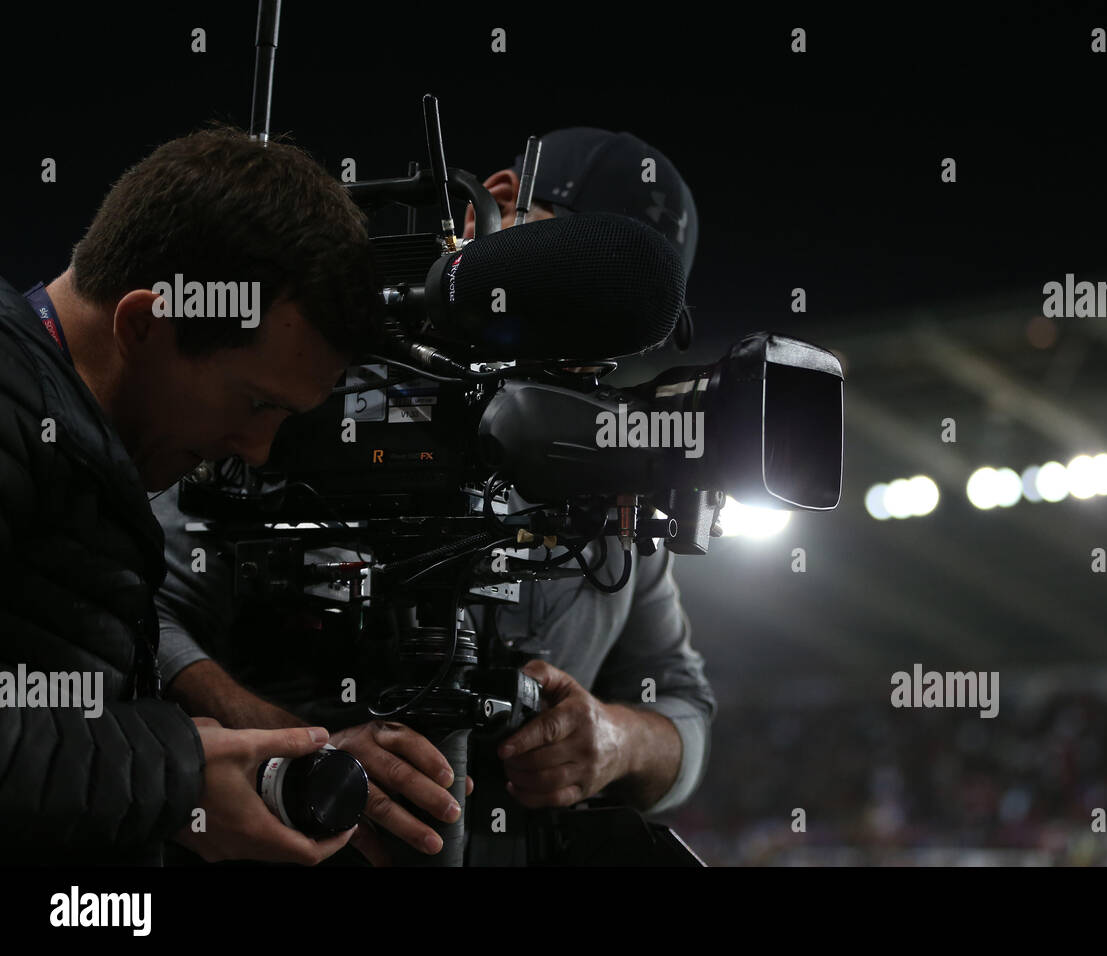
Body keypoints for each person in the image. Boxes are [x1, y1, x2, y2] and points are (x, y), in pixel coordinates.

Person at [151, 128, 716, 866]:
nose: (596, 331)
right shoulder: (306, 384)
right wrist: (305, 753)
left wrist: (618, 740)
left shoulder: (605, 476)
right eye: (591, 275)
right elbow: (148, 612)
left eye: (627, 314)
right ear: (498, 206)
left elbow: (683, 702)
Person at [0, 125, 384, 864]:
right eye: (254, 404)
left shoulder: (77, 439)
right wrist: (178, 777)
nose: (257, 451)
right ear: (146, 323)